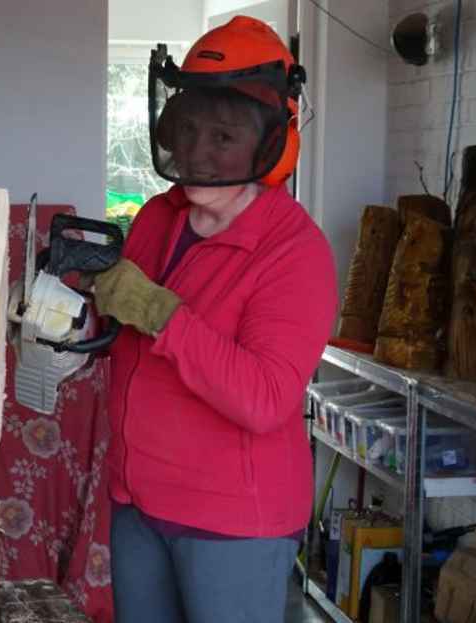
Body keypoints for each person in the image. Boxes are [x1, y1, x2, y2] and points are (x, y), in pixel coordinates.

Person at [91, 15, 338, 623]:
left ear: (271, 141)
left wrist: (161, 313)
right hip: (137, 504)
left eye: (222, 138)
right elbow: (126, 337)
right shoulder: (156, 217)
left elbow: (263, 398)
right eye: (189, 129)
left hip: (232, 523)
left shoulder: (294, 251)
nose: (198, 153)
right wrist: (72, 323)